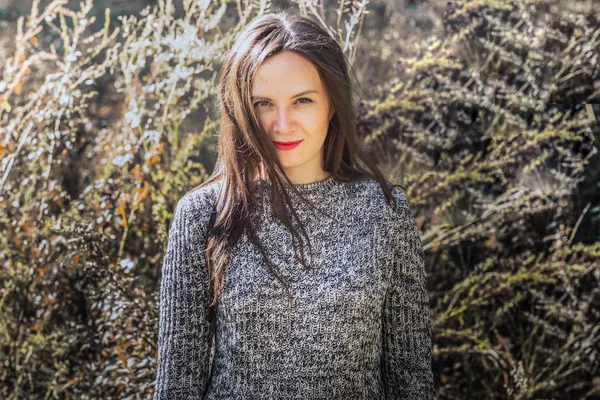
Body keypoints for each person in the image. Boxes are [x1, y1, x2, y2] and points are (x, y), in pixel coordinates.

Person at [153, 11, 436, 400]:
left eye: (302, 100)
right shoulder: (202, 216)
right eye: (263, 104)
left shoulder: (385, 211)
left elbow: (411, 380)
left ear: (332, 104)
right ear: (240, 109)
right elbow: (176, 388)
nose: (282, 124)